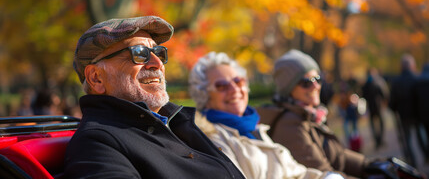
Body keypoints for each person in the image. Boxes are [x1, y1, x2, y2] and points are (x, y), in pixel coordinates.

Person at [64, 16, 244, 178]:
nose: (157, 63)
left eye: (158, 53)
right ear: (96, 78)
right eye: (139, 54)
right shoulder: (97, 143)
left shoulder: (174, 123)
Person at [189, 51, 344, 179]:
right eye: (222, 86)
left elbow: (297, 173)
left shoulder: (257, 130)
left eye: (238, 81)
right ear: (205, 96)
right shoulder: (213, 139)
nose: (234, 89)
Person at [257, 49, 388, 179]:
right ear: (289, 89)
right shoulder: (290, 125)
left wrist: (369, 165)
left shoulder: (310, 115)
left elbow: (339, 155)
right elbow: (322, 173)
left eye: (317, 79)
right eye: (306, 83)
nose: (315, 86)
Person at [389, 54, 423, 167]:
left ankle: (413, 162)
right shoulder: (417, 79)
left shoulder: (396, 81)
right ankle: (426, 155)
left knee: (407, 140)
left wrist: (395, 109)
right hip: (418, 115)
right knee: (421, 136)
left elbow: (392, 101)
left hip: (403, 116)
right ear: (412, 66)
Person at [361, 68, 389, 150]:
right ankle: (379, 139)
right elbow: (384, 93)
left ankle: (377, 140)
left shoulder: (366, 84)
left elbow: (363, 95)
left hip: (371, 107)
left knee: (374, 124)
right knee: (381, 123)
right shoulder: (378, 82)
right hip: (378, 106)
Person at [414, 62, 429, 163]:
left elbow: (414, 101)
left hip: (422, 115)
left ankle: (427, 155)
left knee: (424, 135)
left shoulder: (417, 82)